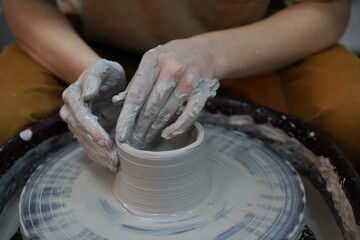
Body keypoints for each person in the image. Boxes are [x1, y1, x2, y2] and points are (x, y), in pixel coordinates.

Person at [1, 0, 359, 171]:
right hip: (94, 46)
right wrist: (87, 70)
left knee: (352, 118)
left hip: (250, 48)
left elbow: (327, 10)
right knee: (5, 115)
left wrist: (211, 54)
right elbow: (24, 6)